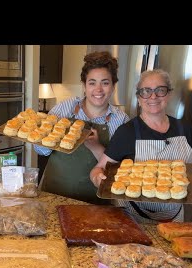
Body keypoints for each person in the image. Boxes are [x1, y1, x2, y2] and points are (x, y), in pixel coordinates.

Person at [90, 69, 192, 223]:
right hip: (133, 218)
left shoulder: (184, 128)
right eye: (146, 91)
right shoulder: (127, 132)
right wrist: (98, 178)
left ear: (169, 94)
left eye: (160, 90)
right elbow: (98, 169)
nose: (153, 96)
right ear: (139, 97)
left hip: (175, 218)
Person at [34, 51, 129, 204]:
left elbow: (120, 171)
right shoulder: (64, 109)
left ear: (113, 87)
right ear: (84, 85)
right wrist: (51, 135)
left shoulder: (121, 121)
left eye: (105, 83)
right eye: (92, 83)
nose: (98, 90)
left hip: (95, 204)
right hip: (54, 196)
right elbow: (41, 151)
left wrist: (96, 147)